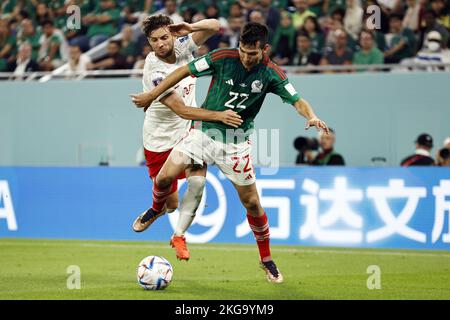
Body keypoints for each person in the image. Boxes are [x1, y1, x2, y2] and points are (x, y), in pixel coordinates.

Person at [131, 22, 330, 284]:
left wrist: (312, 116)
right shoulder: (222, 57)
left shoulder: (272, 74)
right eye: (244, 52)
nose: (247, 58)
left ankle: (266, 259)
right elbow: (183, 71)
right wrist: (152, 94)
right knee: (165, 178)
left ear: (264, 49)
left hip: (236, 143)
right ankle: (165, 219)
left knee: (252, 203)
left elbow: (297, 100)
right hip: (202, 133)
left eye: (253, 54)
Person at [129, 15, 243, 260]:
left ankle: (180, 235)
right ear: (149, 44)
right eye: (154, 41)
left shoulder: (183, 45)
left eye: (164, 37)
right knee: (169, 201)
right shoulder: (155, 71)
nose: (160, 44)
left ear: (171, 34)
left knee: (198, 182)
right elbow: (180, 109)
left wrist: (190, 28)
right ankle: (156, 209)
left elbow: (215, 26)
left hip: (189, 132)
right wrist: (218, 115)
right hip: (159, 138)